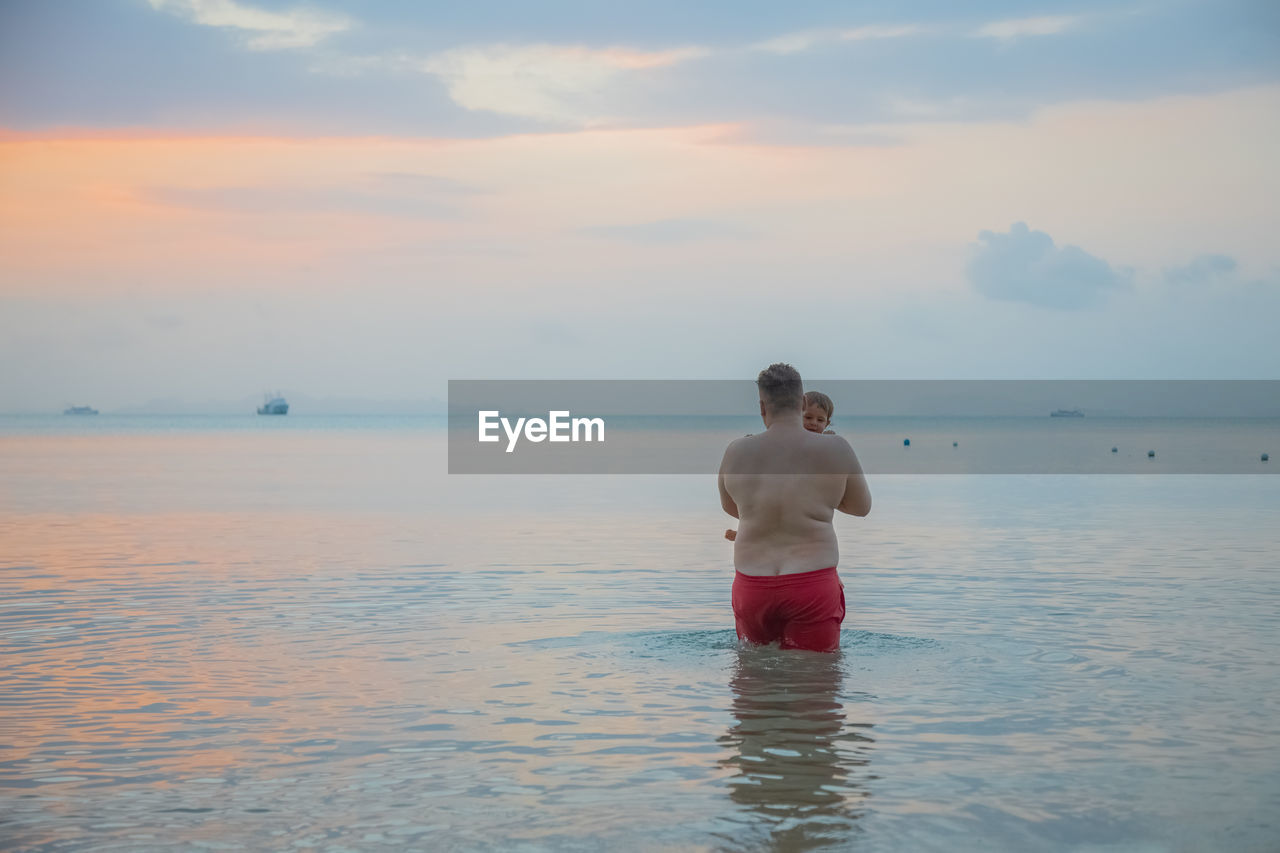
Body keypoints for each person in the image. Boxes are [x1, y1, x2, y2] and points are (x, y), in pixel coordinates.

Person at [718, 364, 871, 652]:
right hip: (811, 582)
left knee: (753, 680)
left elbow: (731, 506)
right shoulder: (836, 449)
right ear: (802, 403)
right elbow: (861, 507)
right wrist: (815, 499)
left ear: (762, 407)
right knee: (816, 685)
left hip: (752, 585)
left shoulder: (736, 451)